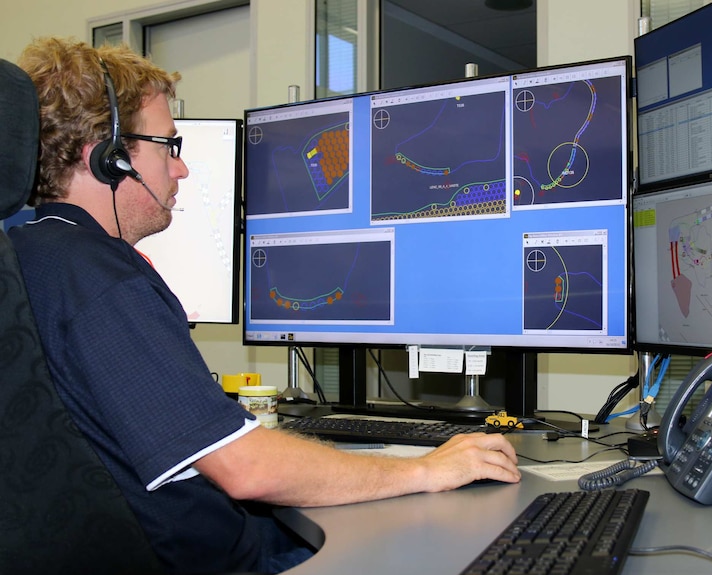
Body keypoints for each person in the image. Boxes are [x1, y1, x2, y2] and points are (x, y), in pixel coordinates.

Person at [10, 37, 521, 574]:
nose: (179, 171)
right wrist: (425, 470)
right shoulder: (103, 282)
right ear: (109, 158)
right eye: (167, 147)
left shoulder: (30, 255)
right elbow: (245, 469)